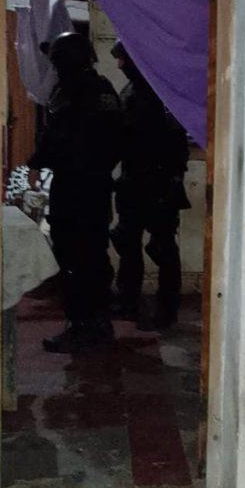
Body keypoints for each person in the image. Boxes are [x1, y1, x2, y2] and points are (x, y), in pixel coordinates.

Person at [29, 31, 122, 353]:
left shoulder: (72, 91)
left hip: (74, 188)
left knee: (74, 258)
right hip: (97, 186)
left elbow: (56, 138)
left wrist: (36, 162)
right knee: (94, 255)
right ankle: (99, 324)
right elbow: (117, 140)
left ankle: (82, 326)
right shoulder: (104, 89)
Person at [109, 40, 190, 329]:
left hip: (159, 184)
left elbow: (177, 146)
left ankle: (166, 311)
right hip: (133, 181)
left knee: (162, 248)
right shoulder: (131, 91)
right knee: (127, 243)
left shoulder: (162, 94)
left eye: (123, 59)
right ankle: (128, 301)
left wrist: (170, 181)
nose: (120, 65)